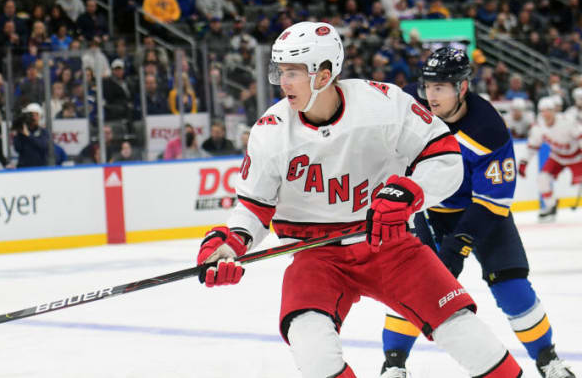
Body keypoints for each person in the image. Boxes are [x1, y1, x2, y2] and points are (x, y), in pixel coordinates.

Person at [196, 22, 524, 378]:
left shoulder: (384, 103)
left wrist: (412, 192)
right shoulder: (270, 132)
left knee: (466, 332)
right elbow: (253, 206)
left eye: (293, 72)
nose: (282, 82)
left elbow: (444, 158)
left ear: (324, 75)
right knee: (311, 345)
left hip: (389, 245)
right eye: (280, 71)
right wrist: (228, 246)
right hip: (314, 256)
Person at [378, 47, 575, 378]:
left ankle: (547, 360)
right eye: (427, 86)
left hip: (479, 210)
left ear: (462, 87)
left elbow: (491, 201)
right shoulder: (408, 103)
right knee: (414, 284)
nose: (431, 95)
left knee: (511, 283)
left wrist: (459, 244)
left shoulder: (489, 129)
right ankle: (393, 364)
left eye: (440, 87)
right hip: (428, 208)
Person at [519, 96, 582, 222]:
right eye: (543, 110)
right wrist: (524, 163)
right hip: (557, 156)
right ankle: (551, 206)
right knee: (542, 179)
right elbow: (532, 146)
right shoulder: (538, 127)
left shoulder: (567, 121)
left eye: (548, 110)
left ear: (554, 111)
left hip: (576, 157)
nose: (546, 113)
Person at [13, 103, 50, 168]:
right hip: (24, 167)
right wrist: (17, 135)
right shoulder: (22, 132)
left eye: (36, 115)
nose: (34, 117)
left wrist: (29, 135)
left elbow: (43, 146)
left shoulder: (43, 132)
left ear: (40, 116)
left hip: (40, 167)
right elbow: (17, 148)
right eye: (31, 115)